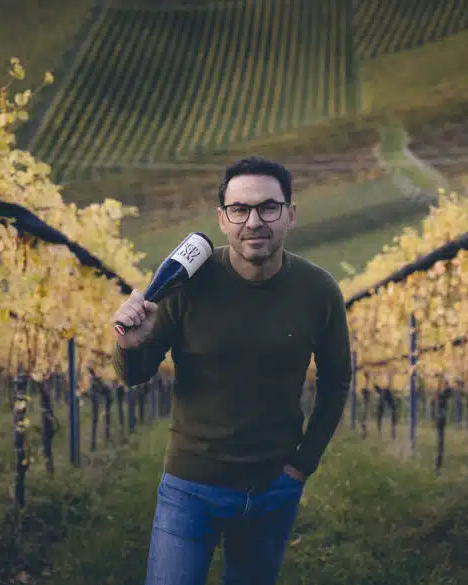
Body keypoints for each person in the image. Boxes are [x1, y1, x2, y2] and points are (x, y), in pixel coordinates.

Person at [111, 156, 352, 585]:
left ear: (290, 215)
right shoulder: (186, 281)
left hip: (273, 489)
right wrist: (130, 345)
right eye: (239, 209)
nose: (254, 222)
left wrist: (303, 464)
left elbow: (336, 381)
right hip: (189, 488)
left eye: (268, 207)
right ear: (222, 219)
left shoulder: (319, 291)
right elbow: (135, 375)